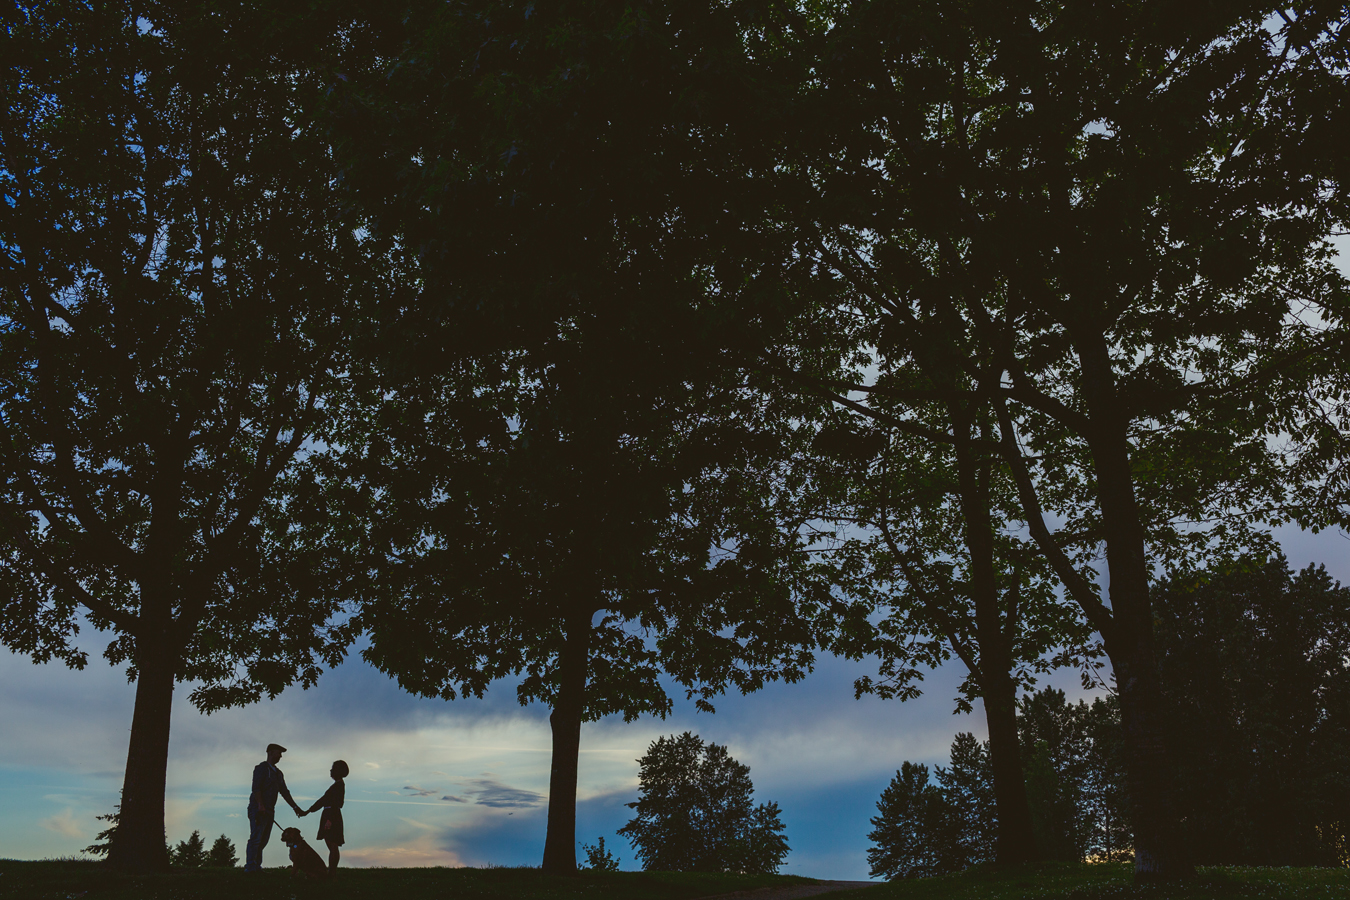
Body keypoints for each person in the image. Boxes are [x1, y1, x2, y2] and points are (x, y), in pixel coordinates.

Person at [244, 743, 305, 871]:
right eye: (279, 753)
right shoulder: (261, 768)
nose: (281, 756)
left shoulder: (278, 774)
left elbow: (284, 792)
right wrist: (260, 805)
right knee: (256, 838)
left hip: (270, 811)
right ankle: (250, 866)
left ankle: (256, 865)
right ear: (271, 753)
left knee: (263, 840)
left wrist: (295, 807)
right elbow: (256, 788)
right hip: (258, 809)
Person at [303, 760, 348, 873]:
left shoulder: (338, 786)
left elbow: (336, 803)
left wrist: (329, 820)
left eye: (333, 768)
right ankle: (331, 871)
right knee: (332, 844)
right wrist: (309, 810)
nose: (331, 770)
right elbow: (323, 800)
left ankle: (331, 872)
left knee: (332, 845)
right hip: (330, 814)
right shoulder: (337, 785)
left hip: (331, 815)